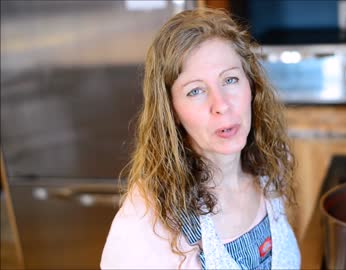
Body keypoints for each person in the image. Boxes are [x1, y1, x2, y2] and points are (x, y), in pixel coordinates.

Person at [100, 7, 300, 269]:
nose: (221, 105)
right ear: (172, 111)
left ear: (251, 86)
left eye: (229, 79)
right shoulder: (149, 216)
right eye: (195, 91)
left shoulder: (271, 166)